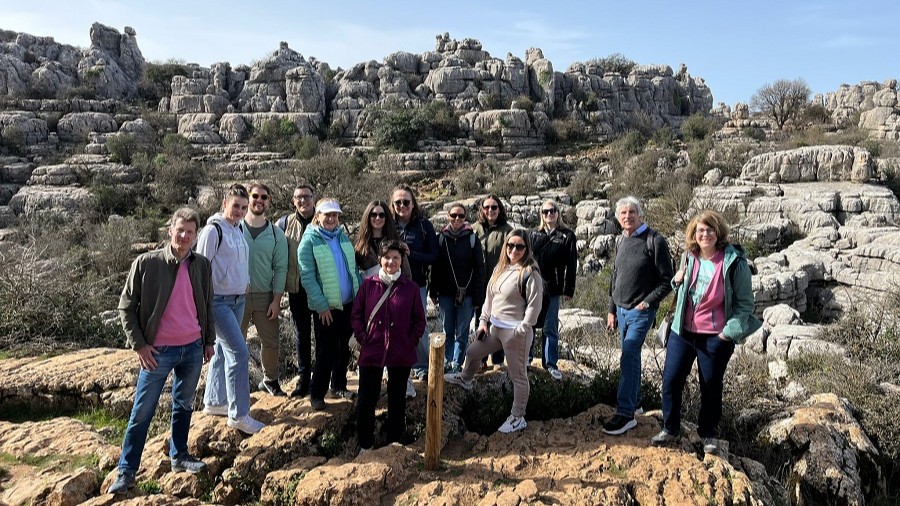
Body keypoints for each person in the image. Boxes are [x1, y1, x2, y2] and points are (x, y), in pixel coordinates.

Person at [109, 208, 215, 494]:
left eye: (190, 232)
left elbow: (207, 305)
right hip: (158, 351)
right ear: (170, 230)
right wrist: (139, 345)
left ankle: (179, 456)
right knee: (142, 412)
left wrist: (208, 341)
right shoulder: (147, 263)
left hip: (192, 347)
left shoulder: (202, 265)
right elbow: (126, 307)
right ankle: (126, 471)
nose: (184, 236)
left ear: (195, 236)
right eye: (180, 230)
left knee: (183, 405)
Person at [651, 210, 761, 454]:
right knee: (671, 379)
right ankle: (670, 428)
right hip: (684, 331)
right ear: (694, 233)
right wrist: (675, 280)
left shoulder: (734, 262)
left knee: (710, 385)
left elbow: (745, 304)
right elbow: (681, 290)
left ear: (718, 232)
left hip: (715, 335)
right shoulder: (688, 257)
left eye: (710, 229)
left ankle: (708, 433)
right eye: (700, 230)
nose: (705, 234)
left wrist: (727, 333)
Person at [445, 229, 543, 434]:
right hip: (495, 329)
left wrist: (523, 328)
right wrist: (483, 322)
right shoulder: (501, 268)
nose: (514, 250)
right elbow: (489, 299)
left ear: (527, 249)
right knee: (472, 352)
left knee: (518, 376)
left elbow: (535, 305)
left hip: (515, 333)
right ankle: (466, 379)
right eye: (510, 245)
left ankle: (518, 416)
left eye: (519, 246)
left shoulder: (529, 272)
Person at [604, 196, 674, 436]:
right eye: (623, 213)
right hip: (621, 311)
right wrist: (612, 310)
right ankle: (637, 402)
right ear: (618, 218)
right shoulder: (621, 240)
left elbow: (668, 280)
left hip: (640, 312)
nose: (627, 216)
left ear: (640, 214)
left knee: (629, 355)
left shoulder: (655, 241)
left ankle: (625, 414)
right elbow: (616, 277)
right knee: (631, 359)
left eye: (632, 212)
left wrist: (647, 302)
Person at [200, 184, 265, 434]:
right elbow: (201, 270)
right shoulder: (213, 230)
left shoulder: (237, 228)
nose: (239, 211)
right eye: (235, 206)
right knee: (238, 353)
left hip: (237, 299)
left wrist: (245, 282)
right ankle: (239, 414)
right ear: (224, 204)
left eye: (243, 207)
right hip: (218, 302)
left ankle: (215, 401)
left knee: (221, 350)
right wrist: (203, 307)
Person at [351, 240, 426, 453]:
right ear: (380, 260)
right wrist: (364, 338)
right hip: (372, 349)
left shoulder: (410, 288)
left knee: (397, 398)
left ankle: (394, 442)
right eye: (387, 257)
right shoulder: (369, 285)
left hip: (400, 351)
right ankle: (365, 444)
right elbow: (356, 315)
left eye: (395, 257)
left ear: (402, 260)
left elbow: (419, 320)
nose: (391, 262)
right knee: (367, 397)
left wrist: (410, 340)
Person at [299, 198, 361, 410]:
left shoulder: (342, 237)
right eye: (328, 215)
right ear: (318, 216)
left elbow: (352, 271)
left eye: (335, 215)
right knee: (326, 351)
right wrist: (321, 305)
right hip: (327, 308)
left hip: (348, 304)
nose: (332, 218)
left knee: (343, 349)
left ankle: (339, 385)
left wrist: (359, 297)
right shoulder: (309, 241)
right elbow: (307, 277)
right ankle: (317, 393)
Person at [241, 182, 288, 396]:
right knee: (234, 344)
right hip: (236, 297)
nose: (259, 200)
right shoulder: (235, 228)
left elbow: (280, 268)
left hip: (265, 297)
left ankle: (270, 380)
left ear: (268, 201)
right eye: (255, 196)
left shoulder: (276, 234)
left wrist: (276, 300)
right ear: (248, 198)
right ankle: (235, 385)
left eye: (263, 197)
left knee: (270, 341)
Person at [391, 185, 438, 386]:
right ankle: (394, 365)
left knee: (419, 326)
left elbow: (434, 256)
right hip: (391, 286)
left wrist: (412, 254)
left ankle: (421, 367)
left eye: (406, 202)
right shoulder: (387, 225)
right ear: (392, 205)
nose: (402, 206)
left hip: (416, 283)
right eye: (398, 202)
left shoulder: (424, 226)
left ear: (413, 203)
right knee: (392, 325)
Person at [430, 203, 485, 373]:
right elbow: (436, 267)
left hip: (466, 294)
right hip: (446, 293)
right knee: (447, 329)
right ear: (448, 216)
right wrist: (433, 291)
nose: (457, 219)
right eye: (454, 215)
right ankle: (447, 360)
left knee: (461, 331)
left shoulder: (472, 238)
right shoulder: (441, 238)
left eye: (461, 216)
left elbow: (479, 269)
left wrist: (477, 297)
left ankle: (456, 362)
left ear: (466, 217)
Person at [529, 199, 577, 380]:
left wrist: (569, 289)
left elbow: (571, 264)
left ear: (558, 213)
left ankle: (551, 363)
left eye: (553, 211)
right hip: (534, 286)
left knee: (550, 326)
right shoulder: (534, 234)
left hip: (554, 287)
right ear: (541, 214)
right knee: (530, 323)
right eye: (546, 211)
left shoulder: (567, 236)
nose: (549, 214)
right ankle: (527, 357)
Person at [278, 184, 316, 398]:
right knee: (302, 334)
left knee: (322, 335)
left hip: (320, 289)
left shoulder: (323, 219)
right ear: (293, 201)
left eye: (307, 197)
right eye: (299, 198)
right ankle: (304, 379)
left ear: (313, 198)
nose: (303, 201)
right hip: (297, 288)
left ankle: (321, 377)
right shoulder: (284, 224)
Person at [473, 194, 513, 368]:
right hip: (478, 284)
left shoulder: (507, 231)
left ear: (500, 209)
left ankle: (497, 360)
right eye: (487, 207)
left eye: (494, 207)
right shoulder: (474, 230)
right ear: (482, 209)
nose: (490, 210)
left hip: (499, 285)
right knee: (480, 321)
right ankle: (481, 360)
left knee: (498, 322)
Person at [354, 199, 409, 279]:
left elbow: (407, 274)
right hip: (368, 289)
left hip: (394, 289)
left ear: (387, 217)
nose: (377, 218)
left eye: (381, 215)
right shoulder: (359, 245)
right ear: (368, 216)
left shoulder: (396, 242)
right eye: (373, 215)